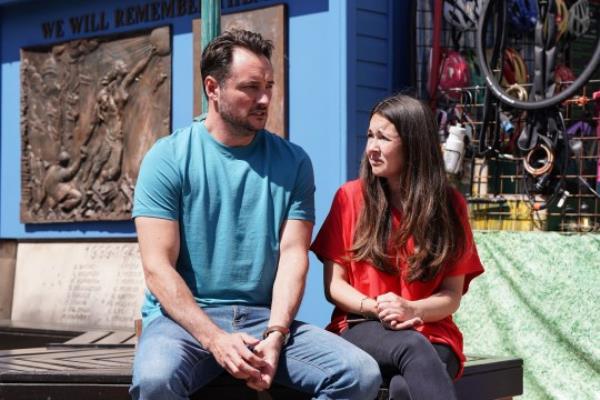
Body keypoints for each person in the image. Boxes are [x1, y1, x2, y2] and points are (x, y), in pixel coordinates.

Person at [129, 29, 381, 400]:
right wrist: (215, 339)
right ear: (212, 88)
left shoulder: (293, 162)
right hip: (182, 321)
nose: (264, 98)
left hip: (264, 319)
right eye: (250, 87)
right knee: (155, 381)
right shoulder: (167, 158)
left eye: (269, 86)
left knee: (358, 374)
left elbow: (294, 256)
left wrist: (277, 335)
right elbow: (157, 268)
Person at [311, 94, 484, 400]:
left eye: (383, 138)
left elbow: (451, 295)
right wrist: (376, 308)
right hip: (361, 326)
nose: (371, 148)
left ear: (413, 145)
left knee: (403, 389)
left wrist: (412, 309)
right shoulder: (349, 197)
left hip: (432, 331)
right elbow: (334, 286)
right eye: (369, 136)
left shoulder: (450, 205)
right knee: (411, 346)